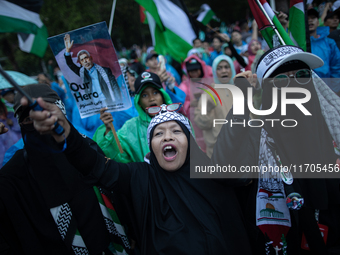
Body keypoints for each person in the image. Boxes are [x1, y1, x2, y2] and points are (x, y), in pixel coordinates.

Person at [27, 97, 253, 254]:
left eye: (176, 131)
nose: (167, 137)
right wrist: (67, 132)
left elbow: (235, 144)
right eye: (158, 134)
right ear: (151, 146)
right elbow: (97, 166)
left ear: (190, 142)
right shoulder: (140, 177)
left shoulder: (214, 174)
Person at [212, 45, 340, 254]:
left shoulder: (334, 132)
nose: (295, 86)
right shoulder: (258, 138)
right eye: (281, 79)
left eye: (301, 75)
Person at [0, 84, 131, 254]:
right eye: (29, 120)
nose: (41, 125)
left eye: (47, 114)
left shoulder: (86, 149)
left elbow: (116, 188)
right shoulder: (14, 174)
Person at [93, 71, 174, 163]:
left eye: (155, 93)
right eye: (144, 95)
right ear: (138, 101)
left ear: (163, 96)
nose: (151, 98)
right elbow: (118, 158)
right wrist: (108, 131)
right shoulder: (129, 128)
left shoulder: (179, 122)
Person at [194, 55, 235, 158]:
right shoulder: (208, 94)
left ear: (232, 69)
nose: (224, 71)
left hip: (241, 148)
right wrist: (206, 110)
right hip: (218, 152)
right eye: (219, 68)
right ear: (214, 72)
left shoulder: (240, 90)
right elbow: (201, 123)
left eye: (227, 67)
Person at [63, 34, 122, 106]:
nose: (85, 61)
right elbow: (70, 64)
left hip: (110, 102)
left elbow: (114, 86)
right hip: (95, 106)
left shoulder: (105, 71)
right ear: (81, 63)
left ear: (90, 58)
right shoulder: (82, 73)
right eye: (82, 60)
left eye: (86, 58)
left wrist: (119, 102)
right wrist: (67, 51)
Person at [308, 8, 340, 95]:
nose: (310, 20)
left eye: (313, 17)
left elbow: (336, 67)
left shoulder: (329, 43)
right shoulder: (294, 42)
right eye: (307, 18)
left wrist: (334, 91)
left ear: (318, 22)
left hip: (327, 91)